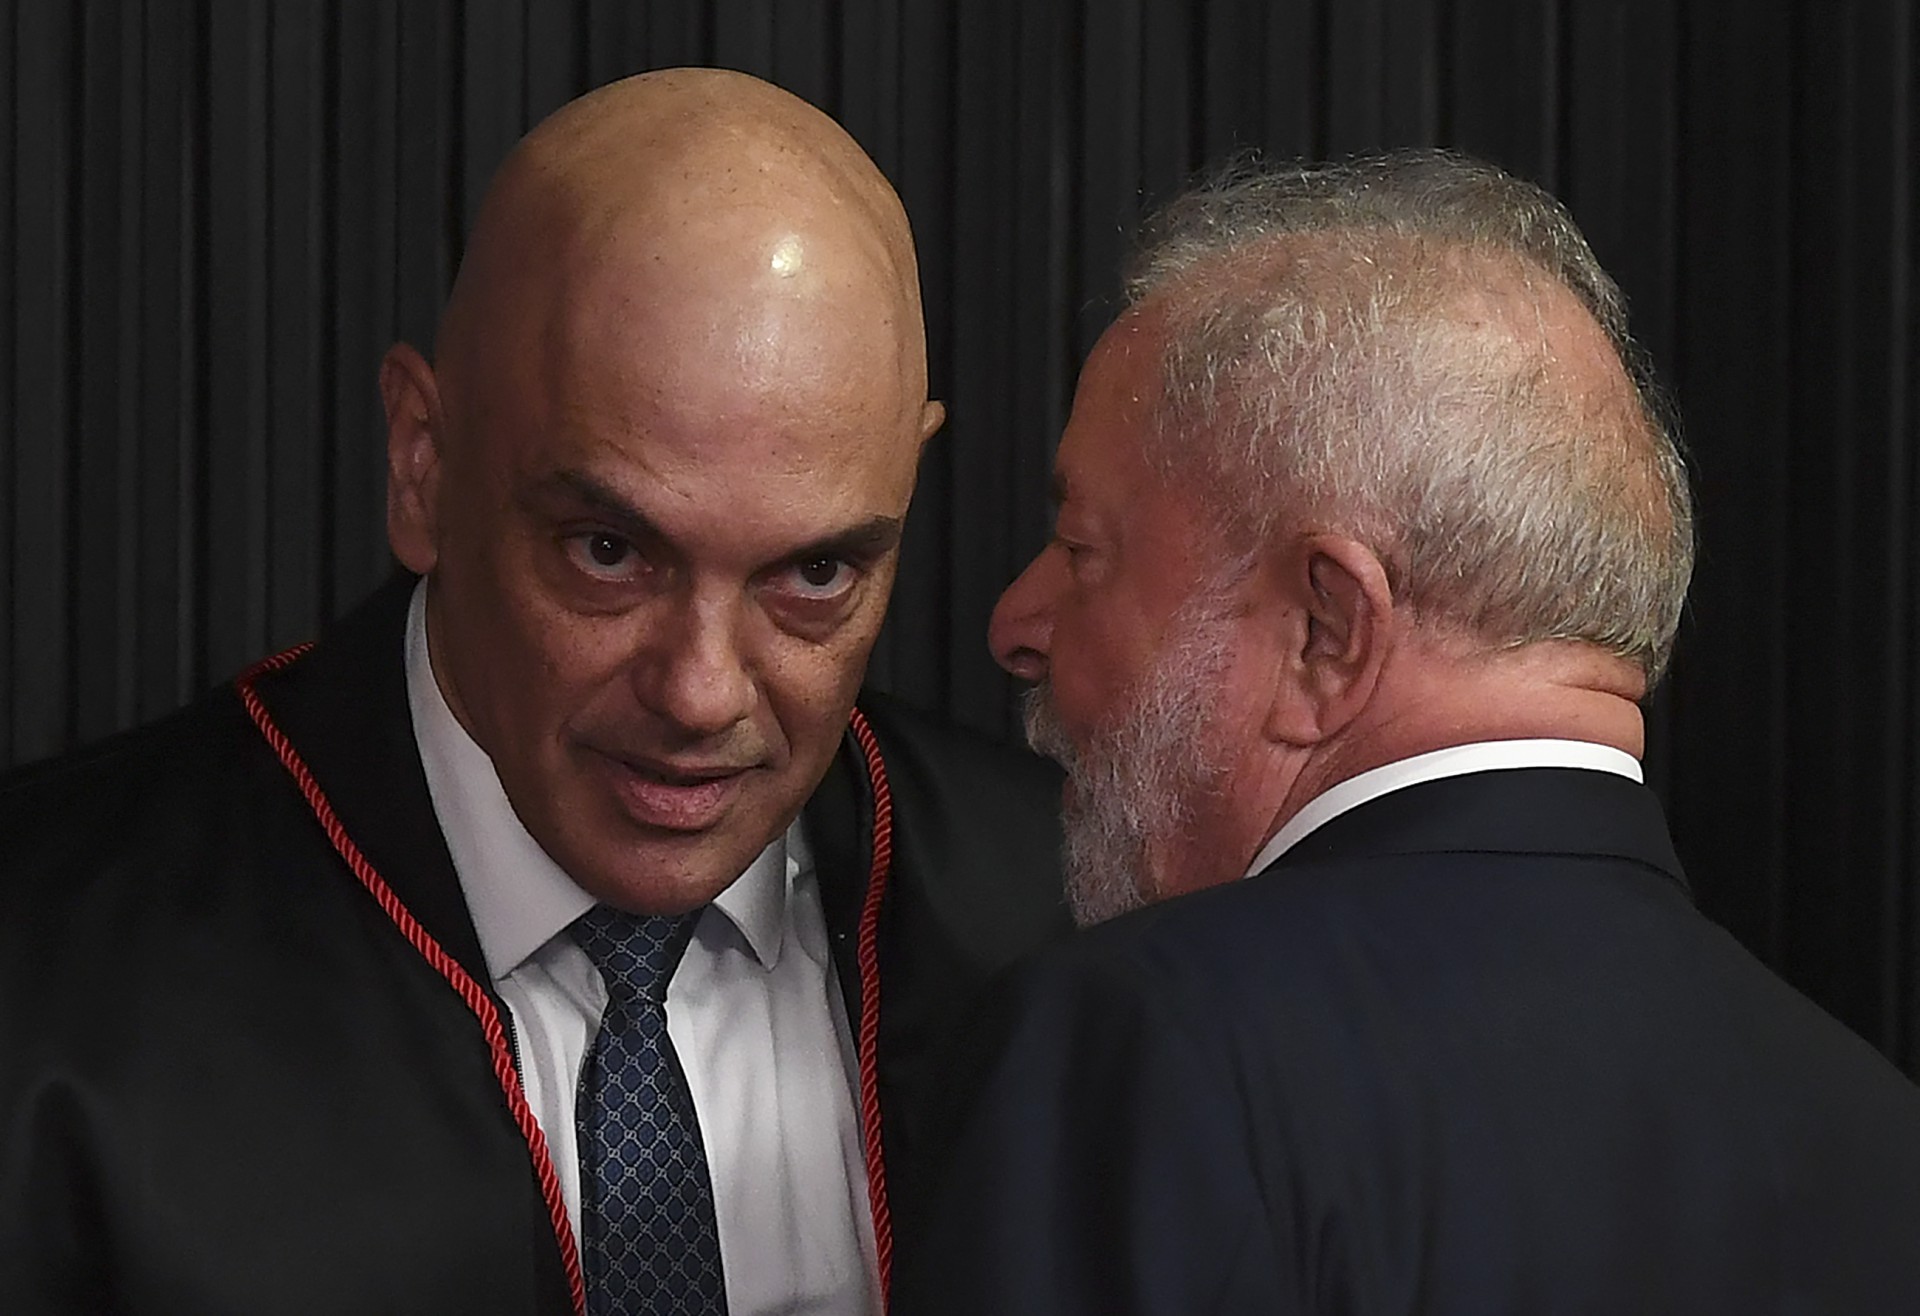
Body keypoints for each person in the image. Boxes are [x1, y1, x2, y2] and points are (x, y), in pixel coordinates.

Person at [0, 69, 1066, 1316]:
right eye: (608, 551)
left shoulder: (1072, 917)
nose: (700, 693)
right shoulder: (40, 982)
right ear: (424, 465)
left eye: (815, 574)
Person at [893, 150, 1920, 1314]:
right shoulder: (1881, 1132)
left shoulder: (1141, 1055)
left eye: (1083, 548)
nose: (1016, 622)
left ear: (1327, 629)